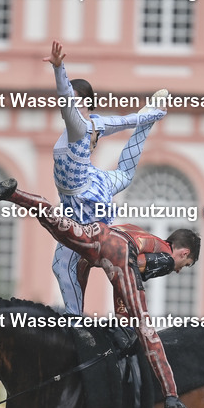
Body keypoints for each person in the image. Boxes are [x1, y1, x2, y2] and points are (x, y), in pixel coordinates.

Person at [0, 178, 199, 408]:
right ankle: (171, 395)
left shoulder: (142, 233)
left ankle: (14, 194)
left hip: (99, 234)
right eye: (185, 266)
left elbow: (122, 258)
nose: (179, 270)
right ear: (184, 253)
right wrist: (127, 309)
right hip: (117, 256)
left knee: (56, 224)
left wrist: (119, 304)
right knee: (146, 332)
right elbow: (130, 268)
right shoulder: (168, 257)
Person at [44, 40, 168, 314]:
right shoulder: (89, 124)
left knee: (62, 265)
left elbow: (68, 100)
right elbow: (127, 119)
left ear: (84, 102)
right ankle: (77, 317)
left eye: (75, 101)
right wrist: (152, 113)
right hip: (87, 190)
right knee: (123, 174)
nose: (67, 106)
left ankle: (76, 319)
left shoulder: (79, 125)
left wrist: (58, 69)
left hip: (83, 194)